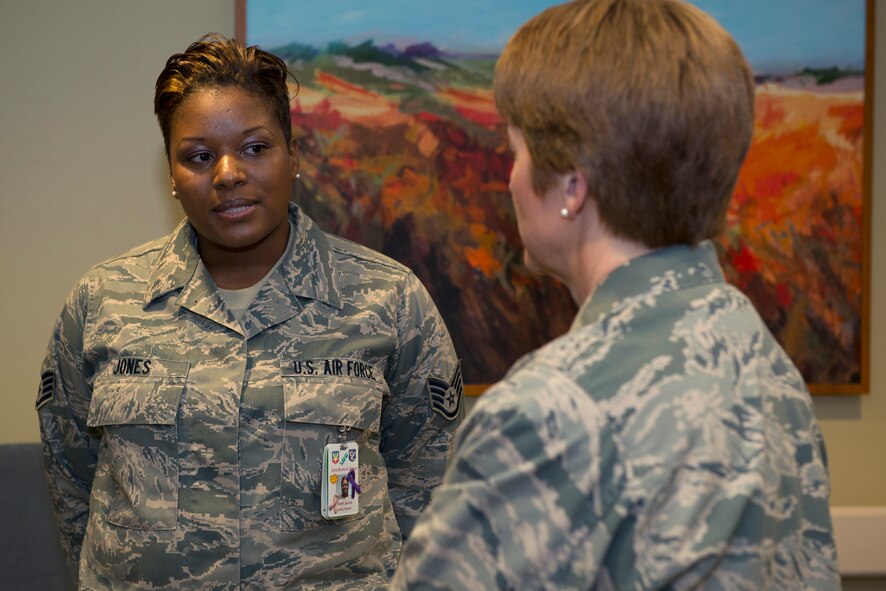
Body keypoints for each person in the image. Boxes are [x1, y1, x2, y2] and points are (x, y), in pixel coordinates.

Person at [391, 1, 839, 589]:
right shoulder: (768, 370)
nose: (510, 178)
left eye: (516, 152)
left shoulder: (548, 412)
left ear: (571, 187)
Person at [36, 34, 463, 590]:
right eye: (198, 156)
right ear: (170, 172)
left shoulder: (388, 299)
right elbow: (72, 481)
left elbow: (430, 490)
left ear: (294, 155)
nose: (228, 174)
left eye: (255, 148)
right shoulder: (103, 302)